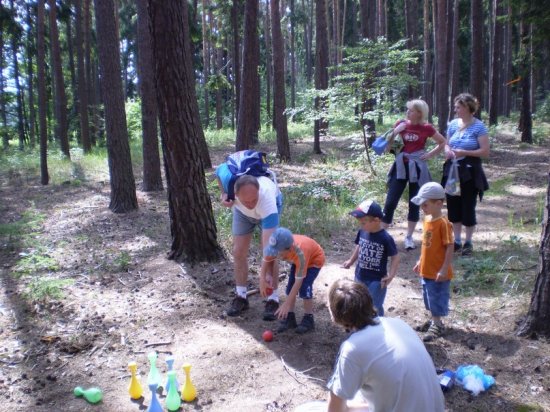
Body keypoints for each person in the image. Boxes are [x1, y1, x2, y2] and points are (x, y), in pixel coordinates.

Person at [326, 279, 445, 412]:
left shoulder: (353, 349)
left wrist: (346, 408)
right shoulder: (398, 324)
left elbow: (334, 409)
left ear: (334, 314)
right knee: (360, 396)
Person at [216, 161, 283, 320]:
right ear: (236, 193)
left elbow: (269, 248)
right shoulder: (229, 181)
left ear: (258, 191)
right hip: (241, 213)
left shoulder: (267, 200)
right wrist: (223, 195)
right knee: (238, 252)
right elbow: (218, 171)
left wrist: (264, 275)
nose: (251, 204)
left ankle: (272, 297)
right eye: (247, 201)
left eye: (254, 199)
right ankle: (241, 296)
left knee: (269, 253)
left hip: (267, 212)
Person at [381, 99, 446, 250]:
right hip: (400, 167)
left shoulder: (427, 128)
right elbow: (387, 145)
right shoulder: (401, 123)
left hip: (417, 167)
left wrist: (429, 155)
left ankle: (409, 237)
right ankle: (381, 235)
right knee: (390, 201)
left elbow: (442, 142)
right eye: (407, 109)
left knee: (415, 202)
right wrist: (396, 131)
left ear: (419, 113)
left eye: (411, 110)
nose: (407, 112)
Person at [443, 93, 490, 256]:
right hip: (452, 171)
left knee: (468, 205)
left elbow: (485, 151)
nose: (456, 110)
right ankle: (456, 240)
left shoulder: (479, 126)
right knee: (453, 204)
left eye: (458, 107)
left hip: (470, 172)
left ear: (468, 108)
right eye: (455, 107)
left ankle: (468, 242)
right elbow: (446, 145)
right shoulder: (453, 124)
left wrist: (464, 152)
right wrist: (448, 151)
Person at [411, 182, 454, 342]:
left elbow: (450, 247)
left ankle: (438, 324)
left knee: (436, 296)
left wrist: (444, 269)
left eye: (425, 204)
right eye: (421, 204)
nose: (423, 207)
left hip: (438, 271)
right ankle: (433, 320)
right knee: (428, 297)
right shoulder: (427, 219)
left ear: (439, 203)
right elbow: (426, 245)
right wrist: (420, 260)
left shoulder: (443, 223)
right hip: (426, 269)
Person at [261, 227, 325, 334]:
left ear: (289, 249)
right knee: (290, 287)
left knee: (305, 288)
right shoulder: (276, 245)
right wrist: (262, 279)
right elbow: (266, 259)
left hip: (314, 261)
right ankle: (290, 318)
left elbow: (299, 281)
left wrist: (286, 303)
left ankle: (308, 318)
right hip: (297, 262)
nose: (276, 255)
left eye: (279, 253)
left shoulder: (301, 254)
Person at [342, 200, 400, 316]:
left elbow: (395, 257)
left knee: (374, 306)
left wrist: (391, 275)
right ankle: (362, 328)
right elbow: (359, 246)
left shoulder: (385, 238)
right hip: (360, 275)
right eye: (360, 222)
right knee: (359, 302)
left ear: (377, 220)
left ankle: (378, 327)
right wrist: (351, 261)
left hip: (377, 280)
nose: (361, 225)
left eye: (364, 222)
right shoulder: (363, 232)